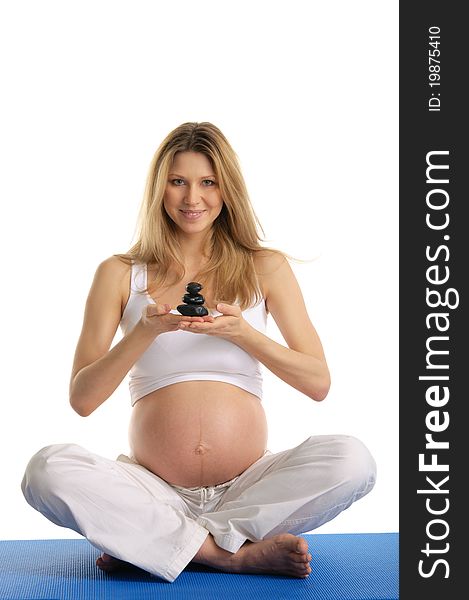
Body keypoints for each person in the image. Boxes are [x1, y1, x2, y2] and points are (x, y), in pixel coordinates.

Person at [21, 121, 376, 583]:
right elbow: (82, 399)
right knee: (46, 469)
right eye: (178, 182)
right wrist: (144, 332)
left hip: (249, 488)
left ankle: (159, 544)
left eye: (208, 182)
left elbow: (318, 383)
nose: (193, 198)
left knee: (354, 460)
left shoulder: (265, 267)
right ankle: (229, 555)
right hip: (153, 489)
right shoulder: (119, 274)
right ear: (158, 189)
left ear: (227, 188)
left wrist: (244, 334)